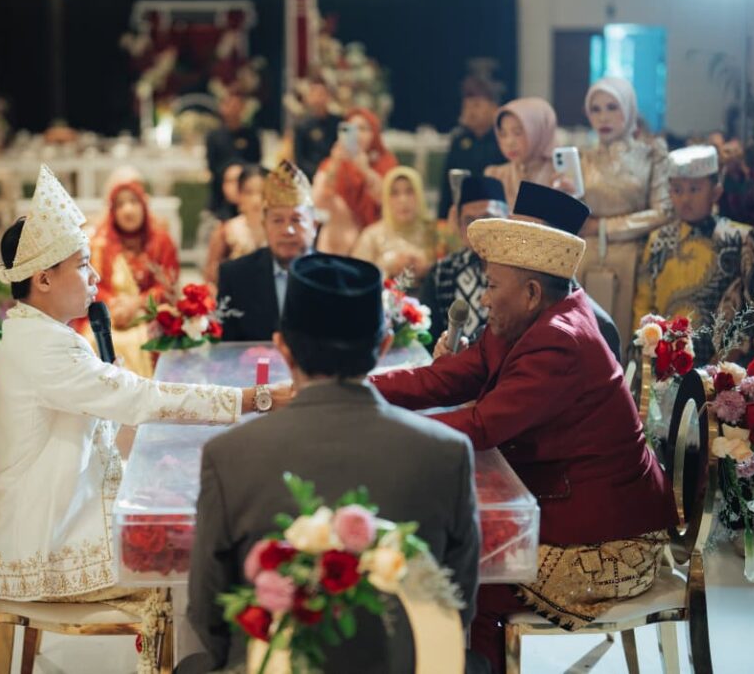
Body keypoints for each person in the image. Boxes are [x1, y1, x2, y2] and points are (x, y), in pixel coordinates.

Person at [0, 166, 288, 674]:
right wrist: (253, 398)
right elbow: (142, 398)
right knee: (185, 556)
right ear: (43, 279)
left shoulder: (40, 333)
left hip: (58, 510)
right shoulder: (45, 348)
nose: (96, 276)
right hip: (43, 542)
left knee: (185, 519)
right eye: (83, 265)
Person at [370, 218, 677, 672]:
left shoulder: (560, 340)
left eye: (492, 285)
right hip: (567, 503)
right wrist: (362, 389)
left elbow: (481, 425)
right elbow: (444, 378)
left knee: (461, 573)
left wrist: (379, 429)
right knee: (451, 549)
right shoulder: (524, 321)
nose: (483, 298)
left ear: (532, 292)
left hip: (611, 543)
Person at [187, 252, 484, 674]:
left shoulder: (229, 454)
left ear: (283, 347)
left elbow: (207, 612)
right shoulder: (447, 452)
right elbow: (458, 603)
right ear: (383, 347)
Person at [435, 182, 621, 362]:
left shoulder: (598, 327)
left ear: (553, 248)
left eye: (524, 237)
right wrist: (460, 356)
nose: (511, 243)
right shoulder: (511, 308)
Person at [634, 145, 754, 365]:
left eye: (695, 189)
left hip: (727, 366)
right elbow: (644, 302)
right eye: (677, 190)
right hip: (667, 362)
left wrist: (729, 353)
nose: (685, 199)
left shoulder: (741, 238)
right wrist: (648, 352)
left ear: (716, 192)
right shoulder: (657, 240)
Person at [570, 76, 672, 337]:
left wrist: (602, 226)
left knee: (629, 337)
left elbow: (663, 212)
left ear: (629, 108)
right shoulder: (581, 157)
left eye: (612, 107)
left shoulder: (651, 154)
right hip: (586, 259)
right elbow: (575, 217)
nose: (603, 117)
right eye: (595, 109)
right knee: (587, 339)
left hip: (636, 259)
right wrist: (563, 196)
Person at [86, 178, 179, 377]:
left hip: (148, 314)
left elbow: (167, 287)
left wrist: (136, 303)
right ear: (113, 211)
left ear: (143, 205)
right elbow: (93, 285)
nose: (128, 210)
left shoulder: (161, 241)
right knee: (92, 339)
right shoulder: (100, 244)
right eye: (120, 204)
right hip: (112, 315)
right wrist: (113, 306)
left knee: (153, 338)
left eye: (133, 202)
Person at [218, 160, 316, 342]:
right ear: (265, 225)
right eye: (277, 220)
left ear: (314, 225)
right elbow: (227, 349)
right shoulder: (235, 276)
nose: (287, 230)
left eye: (296, 220)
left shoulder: (335, 278)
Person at [419, 176, 509, 347]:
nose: (478, 229)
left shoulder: (520, 273)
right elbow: (426, 337)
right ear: (460, 226)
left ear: (507, 220)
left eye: (487, 218)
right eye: (469, 221)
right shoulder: (441, 272)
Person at [313, 107, 398, 255]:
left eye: (364, 129)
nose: (358, 134)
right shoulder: (331, 164)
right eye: (351, 129)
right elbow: (317, 203)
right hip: (336, 247)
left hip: (374, 246)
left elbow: (390, 200)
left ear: (374, 133)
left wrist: (365, 170)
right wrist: (334, 164)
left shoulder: (386, 162)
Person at [351, 166, 437, 286]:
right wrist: (388, 266)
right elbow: (355, 278)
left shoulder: (435, 233)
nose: (403, 200)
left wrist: (428, 269)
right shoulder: (371, 236)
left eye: (409, 192)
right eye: (394, 193)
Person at [438, 76, 507, 219]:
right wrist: (442, 218)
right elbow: (447, 186)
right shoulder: (459, 140)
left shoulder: (503, 140)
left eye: (476, 105)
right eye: (466, 106)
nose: (470, 112)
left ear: (494, 108)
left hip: (498, 213)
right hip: (464, 215)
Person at [483, 97, 557, 210]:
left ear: (540, 130)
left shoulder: (561, 176)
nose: (509, 142)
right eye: (502, 134)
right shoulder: (496, 176)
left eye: (517, 133)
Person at [202, 164, 267, 285]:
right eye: (249, 192)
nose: (256, 200)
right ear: (239, 195)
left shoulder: (280, 231)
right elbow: (210, 279)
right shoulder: (227, 231)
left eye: (262, 193)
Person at [205, 88, 261, 221]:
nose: (233, 109)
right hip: (219, 196)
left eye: (237, 105)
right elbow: (212, 165)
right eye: (230, 105)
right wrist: (229, 180)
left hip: (246, 192)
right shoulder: (214, 136)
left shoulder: (251, 135)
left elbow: (255, 162)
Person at [293, 75, 343, 178]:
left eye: (321, 94)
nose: (318, 98)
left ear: (328, 96)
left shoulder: (338, 122)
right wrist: (319, 173)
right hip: (311, 175)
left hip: (335, 173)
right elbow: (299, 159)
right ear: (308, 97)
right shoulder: (302, 125)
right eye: (314, 94)